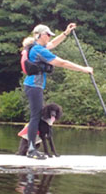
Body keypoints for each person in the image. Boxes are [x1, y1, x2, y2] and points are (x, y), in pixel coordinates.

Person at [23, 23, 93, 159]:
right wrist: (84, 69)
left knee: (36, 117)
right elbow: (62, 63)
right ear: (39, 35)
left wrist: (66, 33)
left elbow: (53, 44)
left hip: (34, 86)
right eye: (47, 34)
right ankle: (31, 150)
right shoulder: (39, 50)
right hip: (33, 87)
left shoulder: (37, 48)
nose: (49, 37)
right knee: (35, 117)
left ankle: (31, 149)